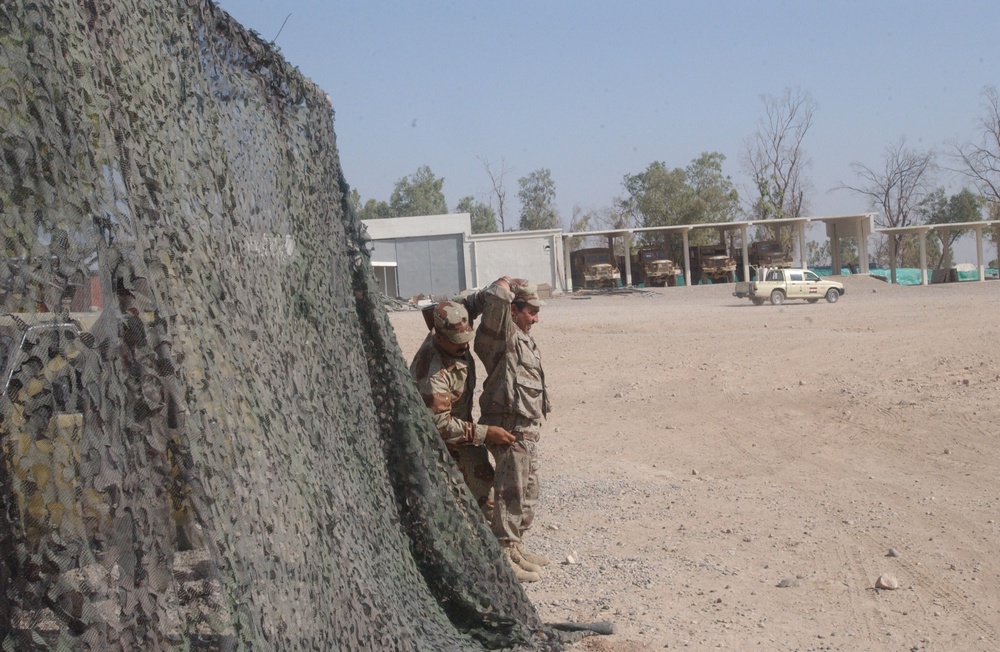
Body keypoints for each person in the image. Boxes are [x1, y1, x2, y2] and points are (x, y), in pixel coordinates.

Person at [408, 299, 516, 525]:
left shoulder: (452, 320)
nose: (465, 347)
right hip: (442, 441)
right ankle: (491, 541)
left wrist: (498, 291)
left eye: (467, 339)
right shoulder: (433, 375)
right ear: (439, 338)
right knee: (484, 495)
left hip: (460, 425)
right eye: (458, 342)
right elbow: (440, 425)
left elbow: (469, 304)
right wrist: (485, 433)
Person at [474, 276, 552, 582]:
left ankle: (515, 544)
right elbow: (496, 301)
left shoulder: (523, 337)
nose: (536, 318)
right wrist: (505, 283)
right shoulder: (501, 333)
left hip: (526, 426)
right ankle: (503, 556)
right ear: (514, 310)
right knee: (510, 492)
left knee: (528, 490)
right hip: (509, 425)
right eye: (531, 312)